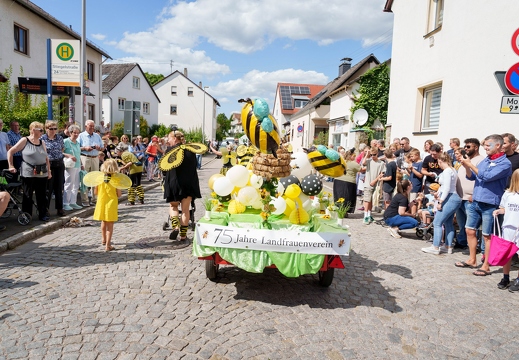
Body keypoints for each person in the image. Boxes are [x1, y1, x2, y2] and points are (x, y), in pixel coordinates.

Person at [455, 134, 512, 275]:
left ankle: (486, 265)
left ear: (497, 146)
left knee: (487, 236)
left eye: (488, 145)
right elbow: (472, 176)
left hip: (490, 204)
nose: (485, 148)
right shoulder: (486, 160)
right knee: (470, 230)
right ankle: (472, 260)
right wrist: (466, 166)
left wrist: (470, 165)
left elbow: (486, 177)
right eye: (485, 145)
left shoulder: (505, 163)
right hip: (476, 201)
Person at [7, 121, 51, 222]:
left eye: (42, 130)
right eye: (40, 130)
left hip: (41, 172)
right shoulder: (24, 140)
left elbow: (46, 158)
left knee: (42, 194)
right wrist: (11, 165)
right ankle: (27, 215)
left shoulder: (42, 142)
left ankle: (42, 214)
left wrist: (49, 171)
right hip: (28, 172)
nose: (42, 132)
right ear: (32, 130)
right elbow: (11, 151)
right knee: (27, 195)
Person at [163, 130, 201, 241]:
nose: (168, 140)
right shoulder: (190, 150)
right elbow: (195, 166)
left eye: (169, 138)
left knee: (173, 206)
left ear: (175, 138)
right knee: (185, 210)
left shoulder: (170, 151)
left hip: (174, 183)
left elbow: (164, 167)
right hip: (188, 183)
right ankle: (183, 236)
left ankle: (175, 227)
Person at [421, 152, 462, 255]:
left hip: (449, 197)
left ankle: (435, 247)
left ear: (440, 161)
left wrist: (441, 201)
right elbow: (446, 187)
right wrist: (438, 193)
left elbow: (447, 188)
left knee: (437, 222)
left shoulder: (448, 171)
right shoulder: (453, 170)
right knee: (448, 223)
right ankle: (447, 246)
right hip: (452, 197)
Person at [453, 138, 484, 250]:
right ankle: (462, 242)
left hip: (470, 197)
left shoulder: (480, 160)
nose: (465, 148)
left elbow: (480, 179)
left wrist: (474, 194)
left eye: (468, 146)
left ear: (476, 147)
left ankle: (474, 247)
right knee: (462, 224)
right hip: (460, 197)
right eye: (465, 146)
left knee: (471, 226)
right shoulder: (465, 159)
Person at [493, 169, 519, 291]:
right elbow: (504, 208)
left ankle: (518, 279)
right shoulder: (508, 194)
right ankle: (506, 277)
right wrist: (499, 211)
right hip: (508, 227)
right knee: (507, 255)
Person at [93, 159, 122, 251]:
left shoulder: (99, 178)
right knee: (110, 224)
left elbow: (95, 192)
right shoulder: (115, 179)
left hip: (101, 202)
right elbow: (119, 194)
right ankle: (108, 245)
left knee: (103, 221)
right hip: (111, 203)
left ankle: (103, 240)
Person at [42, 121, 65, 217]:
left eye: (55, 129)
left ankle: (59, 208)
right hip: (49, 164)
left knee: (59, 187)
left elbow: (62, 149)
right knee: (49, 188)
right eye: (51, 129)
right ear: (46, 129)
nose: (53, 131)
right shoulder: (42, 138)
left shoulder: (59, 137)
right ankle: (45, 209)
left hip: (59, 163)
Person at [78, 120, 104, 207]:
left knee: (95, 179)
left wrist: (99, 148)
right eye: (90, 126)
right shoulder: (81, 135)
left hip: (95, 157)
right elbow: (77, 147)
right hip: (85, 157)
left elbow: (103, 148)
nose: (92, 128)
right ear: (86, 126)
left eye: (93, 126)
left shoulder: (97, 136)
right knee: (84, 179)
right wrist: (85, 148)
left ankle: (94, 199)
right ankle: (84, 200)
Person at [333, 149, 361, 215]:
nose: (355, 157)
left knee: (339, 196)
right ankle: (344, 211)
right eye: (354, 155)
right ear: (350, 156)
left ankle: (340, 210)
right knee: (347, 197)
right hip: (349, 182)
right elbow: (361, 170)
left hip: (338, 180)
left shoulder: (340, 162)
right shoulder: (353, 164)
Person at [361, 147, 386, 225]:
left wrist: (376, 180)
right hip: (368, 183)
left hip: (376, 184)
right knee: (367, 200)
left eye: (374, 155)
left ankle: (369, 214)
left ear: (377, 154)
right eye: (371, 155)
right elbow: (363, 163)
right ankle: (365, 216)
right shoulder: (369, 161)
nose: (372, 156)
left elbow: (382, 173)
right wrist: (366, 155)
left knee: (371, 200)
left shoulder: (381, 163)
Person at [62, 125, 83, 211]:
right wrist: (68, 155)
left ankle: (73, 202)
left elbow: (78, 154)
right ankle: (66, 203)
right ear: (70, 133)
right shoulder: (66, 141)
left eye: (78, 133)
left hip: (77, 165)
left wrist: (81, 164)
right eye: (74, 133)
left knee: (76, 184)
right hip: (70, 165)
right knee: (69, 184)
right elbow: (60, 152)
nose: (76, 134)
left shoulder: (77, 143)